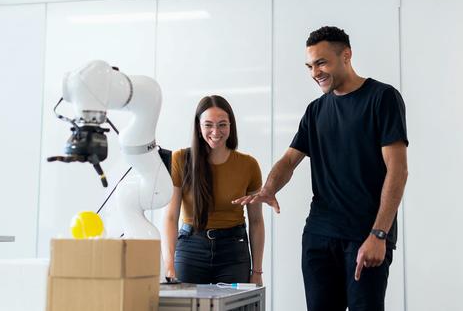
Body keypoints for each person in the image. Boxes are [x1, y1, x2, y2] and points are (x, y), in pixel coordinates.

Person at [233, 26, 408, 310]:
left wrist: (379, 234)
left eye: (321, 62)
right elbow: (290, 160)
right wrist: (269, 188)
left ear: (347, 55)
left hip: (365, 235)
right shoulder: (316, 110)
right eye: (310, 65)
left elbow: (398, 171)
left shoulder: (382, 98)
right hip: (319, 235)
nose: (315, 72)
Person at [162, 95, 264, 285]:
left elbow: (256, 221)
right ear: (198, 127)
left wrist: (257, 271)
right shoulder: (180, 159)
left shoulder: (248, 165)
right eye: (208, 124)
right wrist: (169, 265)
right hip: (191, 247)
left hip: (233, 251)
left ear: (230, 126)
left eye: (222, 124)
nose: (215, 131)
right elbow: (170, 217)